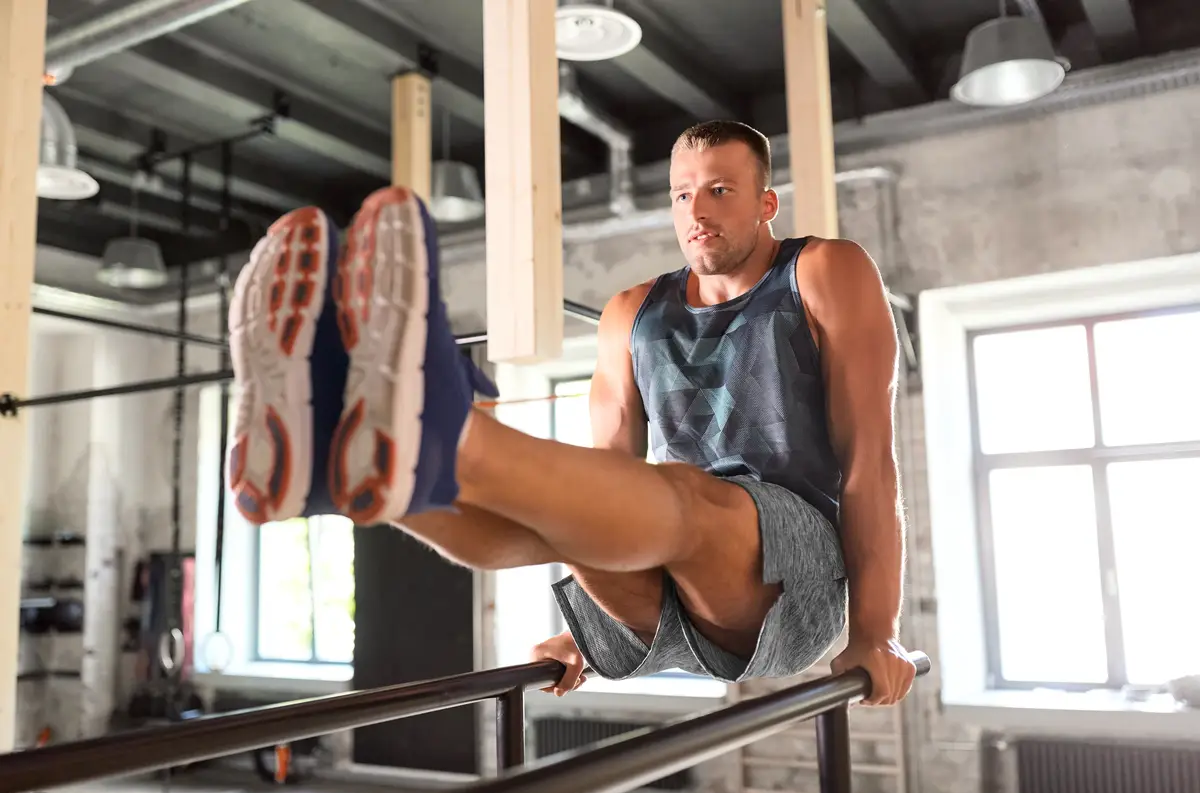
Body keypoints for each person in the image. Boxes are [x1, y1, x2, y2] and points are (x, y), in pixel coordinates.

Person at [226, 119, 916, 706]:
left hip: (795, 581)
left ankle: (443, 429)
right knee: (581, 513)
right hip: (665, 574)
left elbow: (869, 465)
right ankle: (340, 469)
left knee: (687, 494)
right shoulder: (632, 313)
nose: (696, 212)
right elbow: (601, 490)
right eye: (681, 194)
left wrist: (876, 631)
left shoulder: (823, 271)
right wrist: (588, 627)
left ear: (766, 203)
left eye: (719, 190)